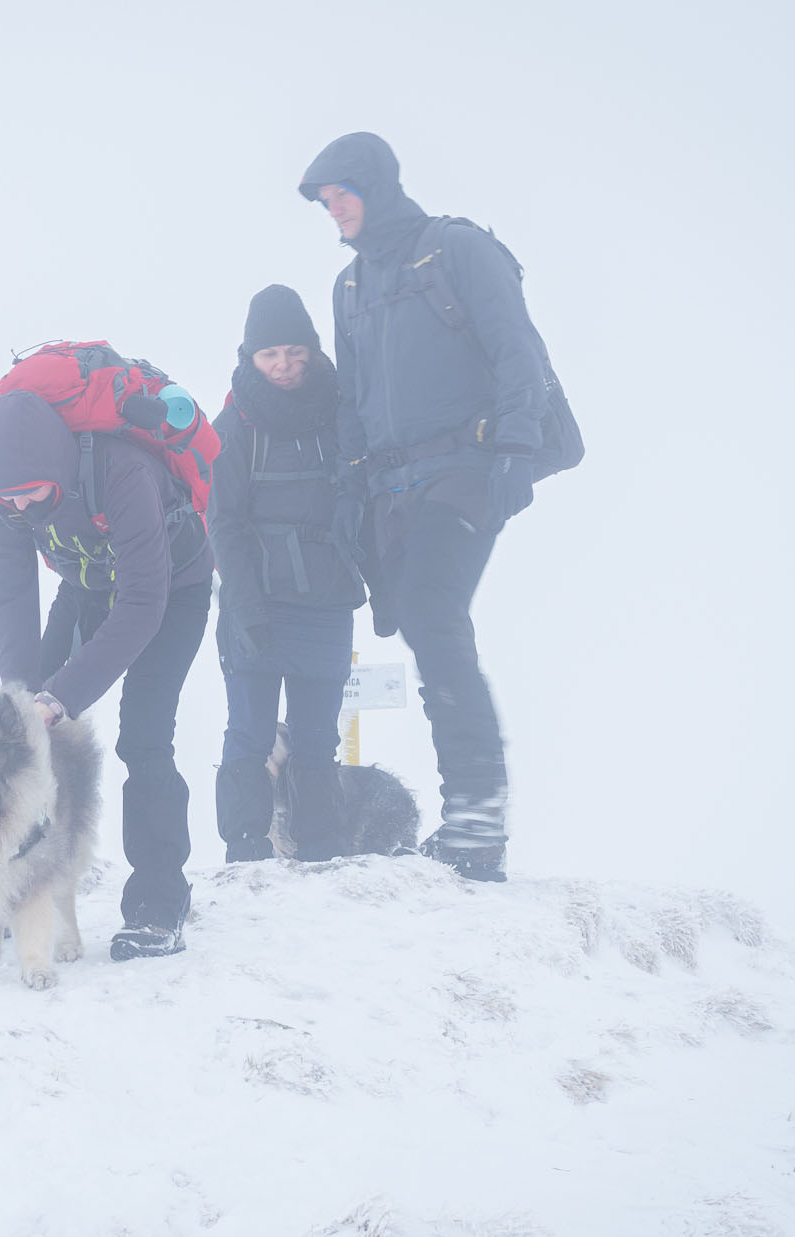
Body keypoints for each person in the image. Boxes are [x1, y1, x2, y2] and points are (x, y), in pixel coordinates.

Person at [298, 131, 551, 883]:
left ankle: (476, 818)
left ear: (375, 186)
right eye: (323, 201)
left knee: (433, 614)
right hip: (394, 485)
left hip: (467, 467)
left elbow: (517, 353)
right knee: (423, 624)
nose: (332, 210)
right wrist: (351, 487)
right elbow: (352, 401)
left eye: (341, 194)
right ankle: (468, 819)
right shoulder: (348, 287)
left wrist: (513, 450)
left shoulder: (456, 250)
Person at [0, 389, 213, 958]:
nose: (25, 508)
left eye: (33, 494)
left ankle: (158, 902)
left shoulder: (121, 472)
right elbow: (9, 597)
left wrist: (61, 698)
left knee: (144, 737)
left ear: (55, 466)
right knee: (16, 738)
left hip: (170, 591)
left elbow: (143, 605)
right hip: (88, 586)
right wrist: (23, 699)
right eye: (12, 499)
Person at [207, 285, 365, 864]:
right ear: (250, 357)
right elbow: (222, 524)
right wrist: (245, 612)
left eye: (294, 352)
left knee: (318, 736)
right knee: (248, 733)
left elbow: (361, 500)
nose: (283, 365)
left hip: (326, 600)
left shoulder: (340, 414)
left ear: (313, 351)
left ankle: (320, 848)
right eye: (269, 354)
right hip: (259, 603)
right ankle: (244, 852)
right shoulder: (233, 427)